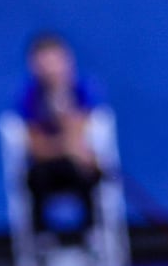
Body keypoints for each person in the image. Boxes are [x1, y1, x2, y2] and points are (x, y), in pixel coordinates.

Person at [17, 35, 105, 249]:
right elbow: (35, 146)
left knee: (86, 172)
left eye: (56, 61)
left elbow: (82, 133)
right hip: (46, 166)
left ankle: (91, 235)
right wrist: (64, 146)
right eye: (44, 63)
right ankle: (42, 239)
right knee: (36, 176)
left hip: (76, 164)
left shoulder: (83, 90)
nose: (51, 70)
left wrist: (65, 111)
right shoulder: (29, 97)